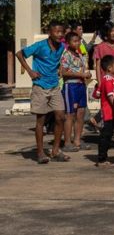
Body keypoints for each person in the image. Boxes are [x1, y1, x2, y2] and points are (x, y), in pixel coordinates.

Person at [16, 21, 69, 164]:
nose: (59, 35)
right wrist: (30, 71)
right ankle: (40, 152)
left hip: (54, 86)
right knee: (41, 120)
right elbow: (19, 54)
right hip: (40, 86)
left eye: (61, 32)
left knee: (60, 117)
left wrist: (59, 68)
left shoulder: (62, 46)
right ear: (49, 33)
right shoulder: (40, 46)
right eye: (56, 32)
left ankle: (55, 150)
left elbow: (57, 60)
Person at [60, 32, 92, 152]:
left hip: (81, 85)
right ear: (68, 43)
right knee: (70, 114)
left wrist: (87, 74)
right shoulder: (66, 55)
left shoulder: (81, 55)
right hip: (71, 86)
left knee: (81, 113)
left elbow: (84, 68)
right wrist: (80, 74)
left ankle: (77, 140)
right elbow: (63, 72)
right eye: (74, 41)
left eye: (78, 41)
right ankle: (67, 142)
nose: (77, 43)